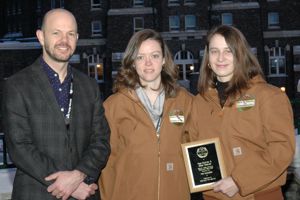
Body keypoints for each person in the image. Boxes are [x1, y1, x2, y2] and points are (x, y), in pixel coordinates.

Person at [2, 8, 110, 200]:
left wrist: (78, 176)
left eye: (70, 34)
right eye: (56, 33)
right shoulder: (17, 85)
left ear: (77, 38)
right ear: (41, 37)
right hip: (37, 193)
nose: (64, 40)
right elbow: (19, 147)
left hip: (85, 191)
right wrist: (69, 186)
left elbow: (101, 141)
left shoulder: (89, 86)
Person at [187, 25, 295, 200]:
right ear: (208, 59)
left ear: (241, 55)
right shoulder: (200, 102)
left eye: (228, 51)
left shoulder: (269, 96)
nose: (220, 58)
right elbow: (192, 147)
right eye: (214, 51)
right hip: (214, 196)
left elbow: (281, 148)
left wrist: (238, 181)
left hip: (258, 195)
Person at [98, 29, 193, 200]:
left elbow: (200, 149)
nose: (148, 63)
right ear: (132, 62)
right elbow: (106, 164)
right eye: (141, 57)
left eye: (155, 56)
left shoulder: (186, 101)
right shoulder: (113, 106)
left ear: (164, 60)